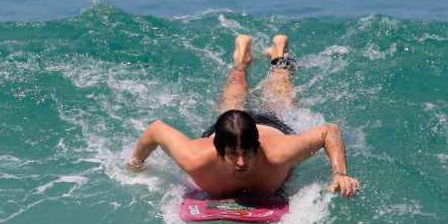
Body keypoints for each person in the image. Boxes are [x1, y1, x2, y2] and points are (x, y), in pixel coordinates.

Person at [127, 34, 360, 199]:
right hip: (229, 128)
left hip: (269, 127)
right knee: (230, 108)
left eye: (248, 152)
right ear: (218, 150)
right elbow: (155, 130)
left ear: (257, 148)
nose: (241, 162)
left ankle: (280, 52)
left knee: (278, 101)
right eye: (232, 154)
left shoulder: (280, 154)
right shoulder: (195, 158)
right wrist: (135, 165)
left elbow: (330, 130)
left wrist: (340, 173)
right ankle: (242, 59)